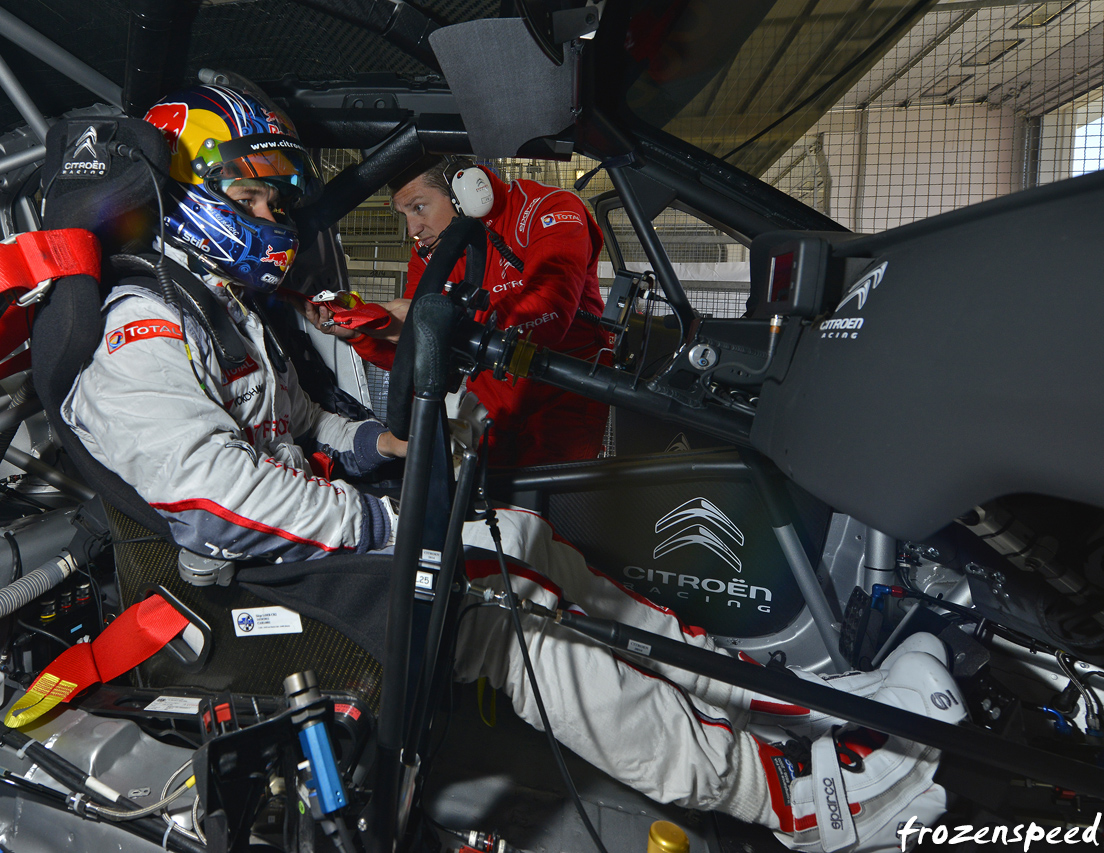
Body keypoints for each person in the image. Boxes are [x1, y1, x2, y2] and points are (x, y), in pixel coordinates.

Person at [61, 83, 963, 852]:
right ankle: (794, 800)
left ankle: (797, 702)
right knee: (507, 604)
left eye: (277, 197)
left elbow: (294, 419)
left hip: (289, 554)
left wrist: (364, 445)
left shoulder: (213, 308)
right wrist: (389, 519)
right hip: (233, 599)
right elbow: (214, 503)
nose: (273, 216)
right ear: (187, 195)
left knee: (521, 532)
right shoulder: (142, 331)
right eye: (253, 197)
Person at [306, 155, 612, 468]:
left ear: (465, 190)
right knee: (481, 506)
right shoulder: (430, 255)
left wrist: (439, 326)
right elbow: (415, 356)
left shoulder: (549, 209)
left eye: (419, 207)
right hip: (492, 404)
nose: (413, 228)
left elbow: (548, 315)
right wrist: (363, 333)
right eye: (404, 214)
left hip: (565, 395)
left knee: (546, 509)